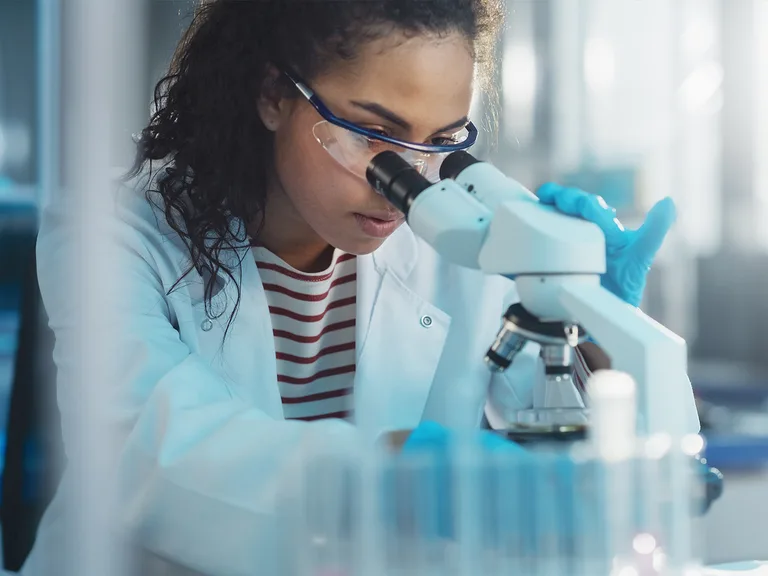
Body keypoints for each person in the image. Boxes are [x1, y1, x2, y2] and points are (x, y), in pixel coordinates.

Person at [25, 0, 699, 574]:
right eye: (374, 134)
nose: (409, 179)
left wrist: (598, 320)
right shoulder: (113, 232)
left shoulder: (460, 246)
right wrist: (405, 475)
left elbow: (599, 461)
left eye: (440, 141)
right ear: (273, 96)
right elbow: (152, 459)